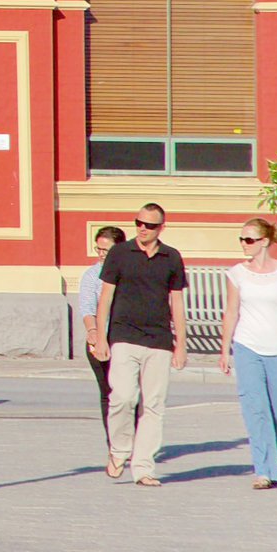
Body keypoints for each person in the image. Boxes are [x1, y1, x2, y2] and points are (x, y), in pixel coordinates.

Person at [94, 201, 188, 486]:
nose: (142, 229)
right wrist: (101, 338)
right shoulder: (120, 254)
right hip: (123, 336)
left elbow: (177, 302)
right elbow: (105, 298)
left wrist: (180, 344)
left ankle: (144, 467)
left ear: (161, 227)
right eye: (138, 223)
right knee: (122, 397)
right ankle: (119, 449)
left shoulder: (171, 258)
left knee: (154, 406)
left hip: (159, 340)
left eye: (149, 225)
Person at [220, 216, 277, 489]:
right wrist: (225, 349)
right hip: (247, 346)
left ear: (264, 242)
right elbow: (232, 311)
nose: (244, 245)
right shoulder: (237, 273)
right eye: (241, 239)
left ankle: (275, 442)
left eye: (249, 240)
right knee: (255, 409)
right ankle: (264, 470)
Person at [75, 225, 127, 448]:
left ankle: (132, 439)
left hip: (125, 339)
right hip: (101, 339)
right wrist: (93, 333)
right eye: (99, 249)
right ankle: (114, 444)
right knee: (108, 393)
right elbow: (87, 308)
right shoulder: (91, 275)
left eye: (107, 250)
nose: (102, 254)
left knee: (128, 394)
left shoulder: (129, 273)